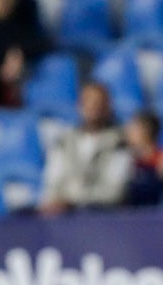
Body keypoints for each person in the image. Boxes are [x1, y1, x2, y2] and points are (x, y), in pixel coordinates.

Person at [38, 80, 132, 215]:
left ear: (107, 106)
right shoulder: (64, 141)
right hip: (64, 218)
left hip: (103, 218)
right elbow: (52, 181)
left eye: (98, 103)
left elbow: (114, 191)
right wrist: (54, 201)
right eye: (88, 102)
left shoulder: (120, 143)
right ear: (79, 105)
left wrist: (72, 200)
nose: (93, 107)